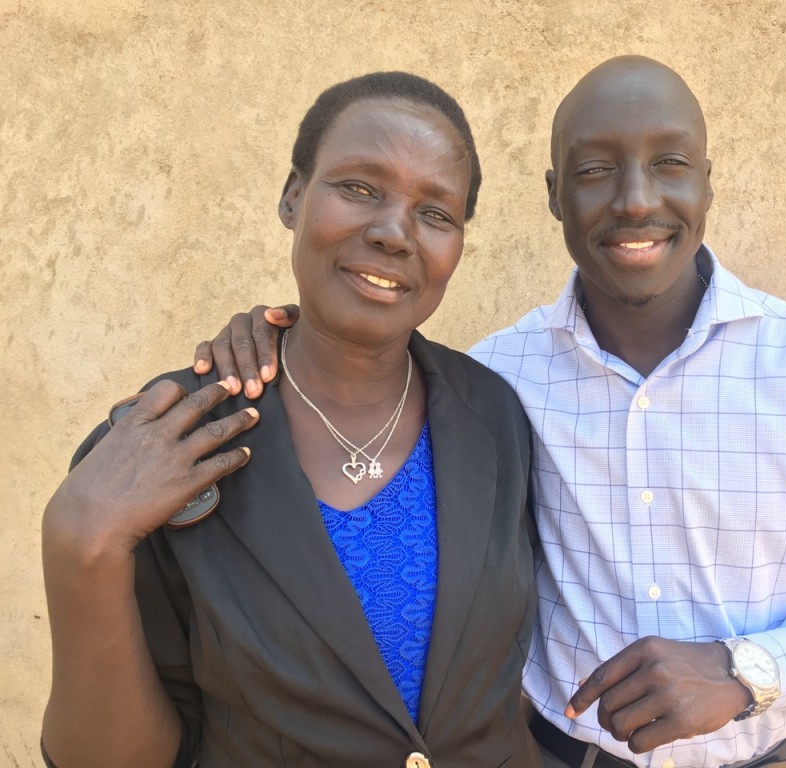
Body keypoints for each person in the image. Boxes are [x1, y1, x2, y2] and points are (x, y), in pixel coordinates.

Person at [196, 56, 786, 768]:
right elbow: (363, 355)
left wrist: (743, 671)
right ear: (554, 194)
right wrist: (278, 336)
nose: (636, 200)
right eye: (595, 170)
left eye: (670, 162)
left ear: (707, 183)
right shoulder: (494, 383)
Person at [41, 72, 541, 768]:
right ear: (293, 196)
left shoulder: (498, 420)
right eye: (360, 188)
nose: (395, 232)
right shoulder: (163, 441)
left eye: (436, 214)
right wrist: (78, 548)